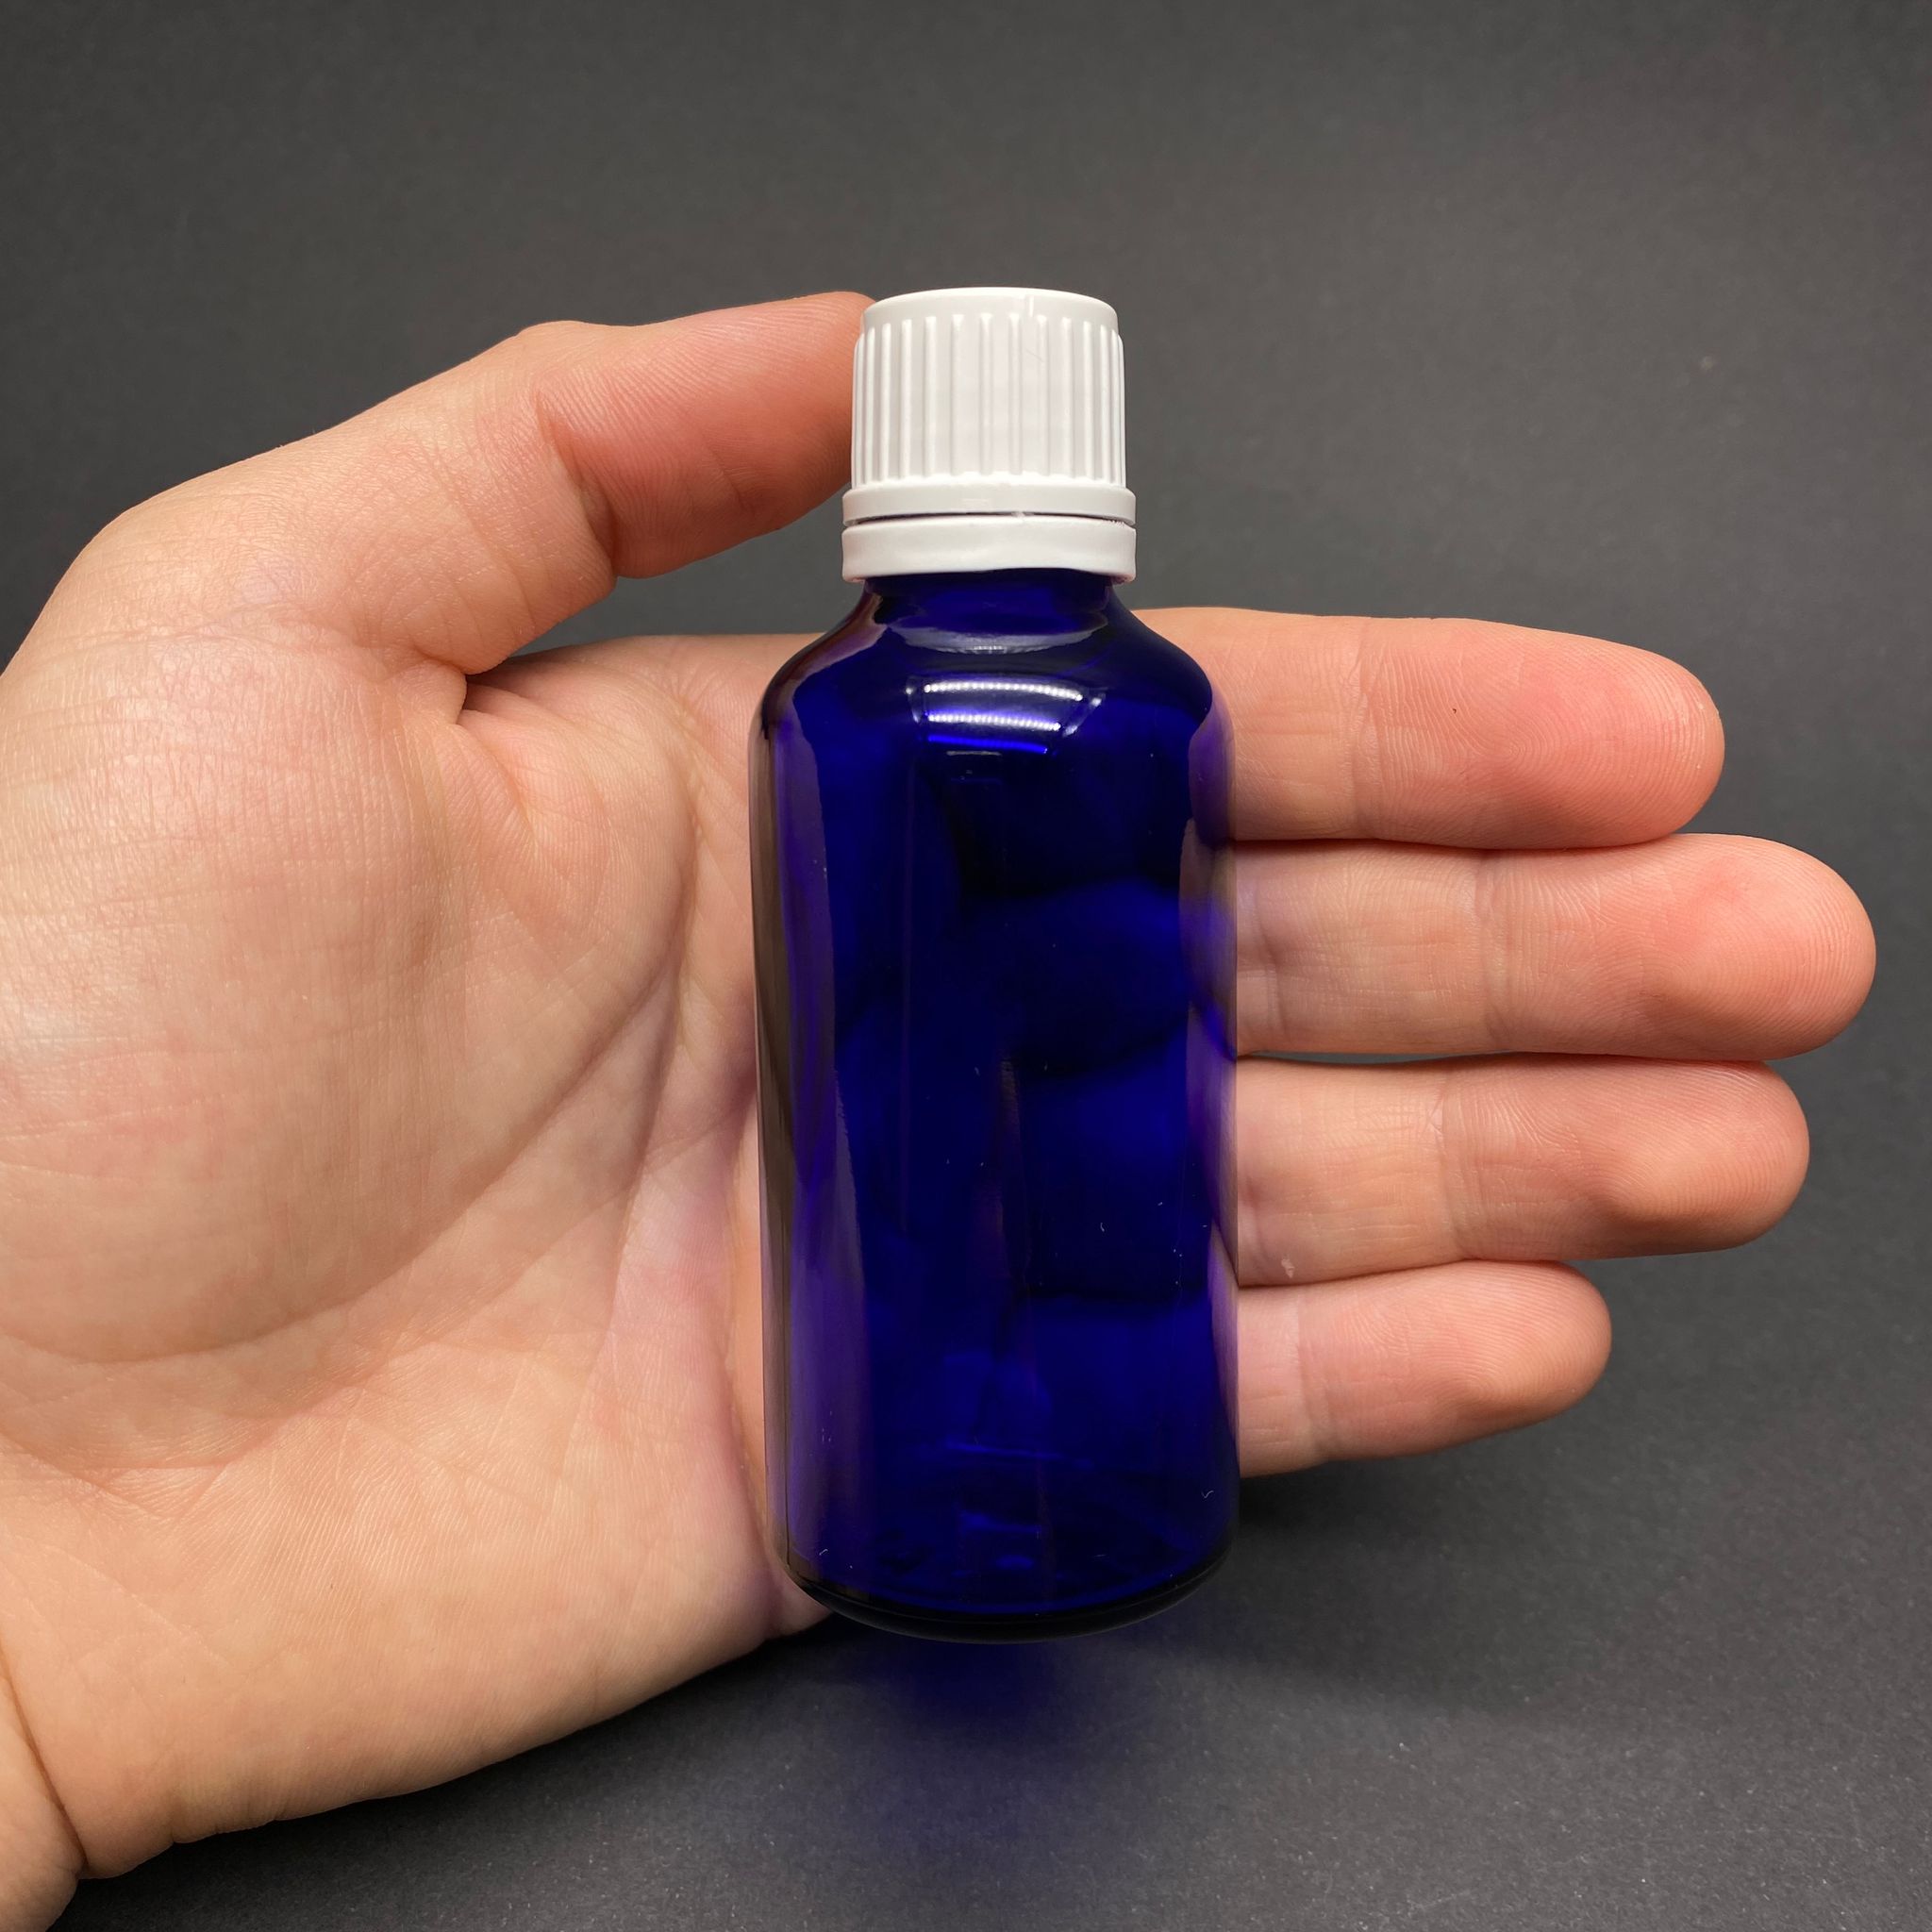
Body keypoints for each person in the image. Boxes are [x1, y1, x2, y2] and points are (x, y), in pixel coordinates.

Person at [0, 293, 1874, 1925]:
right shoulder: (835, 714)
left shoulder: (1126, 710)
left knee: (1119, 1175)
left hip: (1095, 1487)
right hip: (837, 1499)